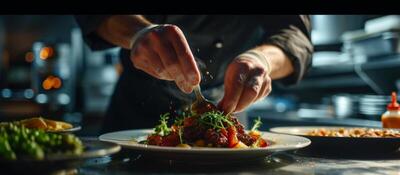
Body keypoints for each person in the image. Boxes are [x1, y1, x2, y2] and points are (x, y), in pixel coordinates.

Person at [75, 15, 313, 133]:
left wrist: (260, 59)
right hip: (134, 113)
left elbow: (296, 35)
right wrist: (139, 33)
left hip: (230, 107)